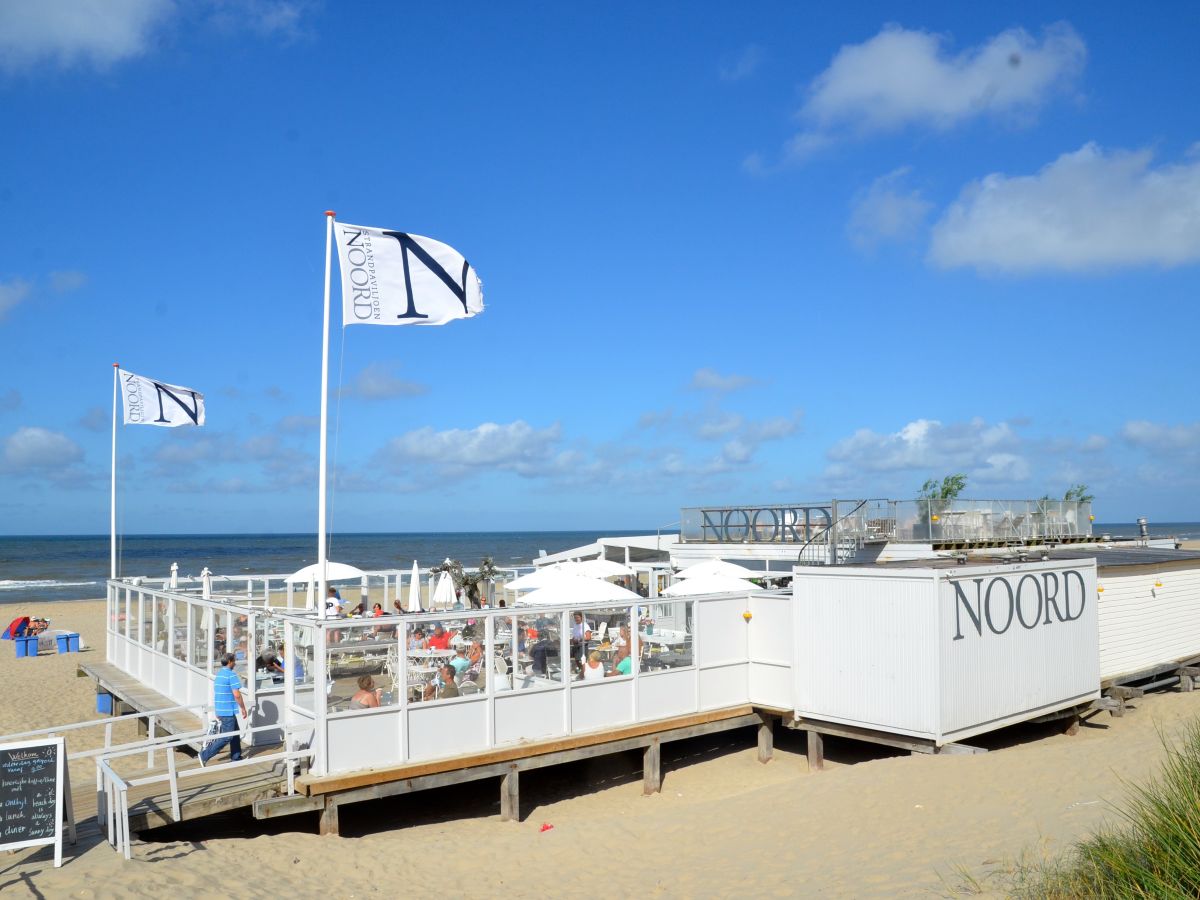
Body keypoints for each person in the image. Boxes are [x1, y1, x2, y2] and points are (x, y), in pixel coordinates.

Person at [199, 653, 248, 767]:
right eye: (234, 661)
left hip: (222, 709)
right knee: (227, 737)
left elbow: (217, 694)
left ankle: (236, 757)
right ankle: (204, 755)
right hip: (228, 711)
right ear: (230, 661)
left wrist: (217, 710)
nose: (235, 663)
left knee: (235, 734)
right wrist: (243, 708)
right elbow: (237, 695)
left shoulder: (219, 675)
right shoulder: (231, 675)